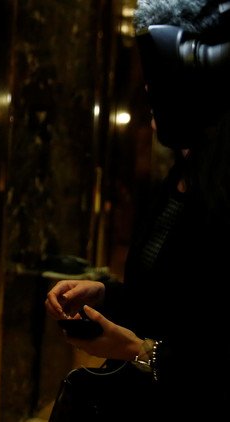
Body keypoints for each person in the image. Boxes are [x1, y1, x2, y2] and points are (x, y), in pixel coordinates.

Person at [45, 0, 230, 419]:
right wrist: (105, 295)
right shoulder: (182, 176)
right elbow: (167, 302)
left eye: (160, 76)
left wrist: (136, 350)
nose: (148, 90)